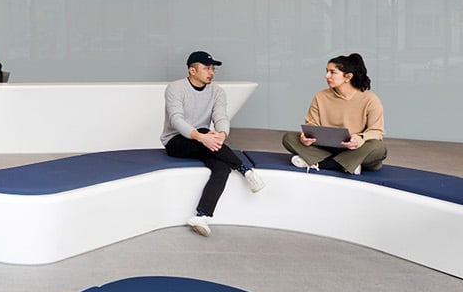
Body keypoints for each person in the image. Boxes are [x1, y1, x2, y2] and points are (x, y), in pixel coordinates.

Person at [162, 50, 264, 237]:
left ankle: (202, 216)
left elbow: (221, 116)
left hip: (205, 141)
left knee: (222, 168)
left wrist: (222, 134)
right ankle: (245, 170)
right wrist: (202, 137)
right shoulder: (175, 88)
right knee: (202, 131)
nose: (211, 72)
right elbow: (176, 120)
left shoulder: (217, 92)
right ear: (192, 71)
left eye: (213, 69)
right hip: (177, 141)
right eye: (206, 68)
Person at [282, 53, 387, 175]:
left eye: (332, 72)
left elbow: (377, 131)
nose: (326, 76)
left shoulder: (370, 99)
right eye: (327, 71)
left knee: (378, 148)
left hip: (355, 149)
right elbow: (312, 123)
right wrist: (306, 137)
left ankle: (322, 163)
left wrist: (359, 139)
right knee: (289, 138)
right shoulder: (321, 96)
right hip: (327, 148)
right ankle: (346, 165)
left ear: (348, 77)